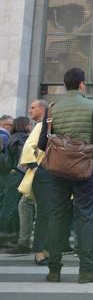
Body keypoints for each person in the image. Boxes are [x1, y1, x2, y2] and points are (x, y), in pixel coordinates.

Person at [37, 67, 93, 284]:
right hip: (85, 168)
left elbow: (42, 142)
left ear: (64, 85)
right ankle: (86, 270)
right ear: (81, 84)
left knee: (57, 216)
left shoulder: (53, 108)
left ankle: (54, 270)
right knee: (85, 216)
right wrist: (83, 146)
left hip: (57, 170)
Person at [9, 100, 48, 254]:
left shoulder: (41, 125)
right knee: (29, 205)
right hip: (41, 171)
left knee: (35, 207)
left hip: (38, 171)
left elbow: (28, 147)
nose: (30, 110)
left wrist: (33, 166)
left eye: (33, 107)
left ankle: (33, 244)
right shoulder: (44, 125)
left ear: (42, 109)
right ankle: (31, 242)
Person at [0, 117, 30, 245]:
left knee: (9, 205)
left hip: (10, 175)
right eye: (29, 124)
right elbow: (23, 159)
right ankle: (6, 237)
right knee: (13, 206)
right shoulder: (22, 138)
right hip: (17, 175)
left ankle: (7, 236)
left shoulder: (12, 137)